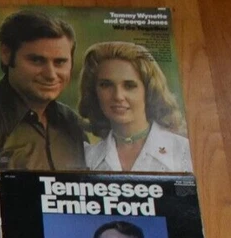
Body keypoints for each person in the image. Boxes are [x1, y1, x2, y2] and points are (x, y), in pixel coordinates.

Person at [0, 11, 86, 170]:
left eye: (60, 62)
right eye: (37, 60)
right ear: (6, 54)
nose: (51, 75)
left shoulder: (72, 124)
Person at [79, 42, 192, 173]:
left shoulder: (184, 151)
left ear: (149, 90)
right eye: (106, 85)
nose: (118, 96)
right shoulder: (87, 158)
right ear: (94, 92)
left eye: (129, 86)